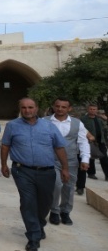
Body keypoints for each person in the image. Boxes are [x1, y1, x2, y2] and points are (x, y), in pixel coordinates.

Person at [0, 98, 69, 251]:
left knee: (45, 203)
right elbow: (5, 145)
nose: (27, 110)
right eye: (23, 107)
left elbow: (59, 148)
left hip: (47, 172)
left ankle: (39, 225)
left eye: (30, 107)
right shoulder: (12, 126)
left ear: (37, 108)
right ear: (20, 109)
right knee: (28, 202)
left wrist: (65, 168)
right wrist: (3, 164)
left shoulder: (49, 126)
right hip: (22, 171)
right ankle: (33, 236)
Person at [47, 97, 90, 226]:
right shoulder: (45, 122)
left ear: (69, 108)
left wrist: (85, 158)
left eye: (63, 107)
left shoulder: (77, 123)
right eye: (57, 106)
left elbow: (83, 141)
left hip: (70, 160)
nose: (60, 109)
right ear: (54, 106)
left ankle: (65, 212)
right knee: (56, 184)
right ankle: (54, 211)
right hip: (51, 159)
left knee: (69, 187)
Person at [81, 104, 108, 182]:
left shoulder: (99, 119)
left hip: (101, 141)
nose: (92, 111)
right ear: (88, 110)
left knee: (104, 158)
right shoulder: (83, 119)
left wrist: (103, 118)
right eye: (91, 109)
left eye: (94, 109)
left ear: (97, 110)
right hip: (90, 141)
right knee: (91, 157)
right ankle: (91, 173)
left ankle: (107, 174)